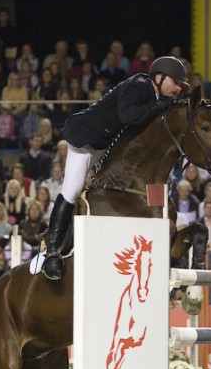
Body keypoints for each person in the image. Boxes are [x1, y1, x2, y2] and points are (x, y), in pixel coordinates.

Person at [40, 56, 189, 280]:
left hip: (106, 144)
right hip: (87, 139)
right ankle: (51, 253)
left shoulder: (156, 95)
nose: (179, 88)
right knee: (72, 189)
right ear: (158, 78)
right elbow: (127, 116)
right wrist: (160, 106)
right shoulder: (138, 85)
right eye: (176, 82)